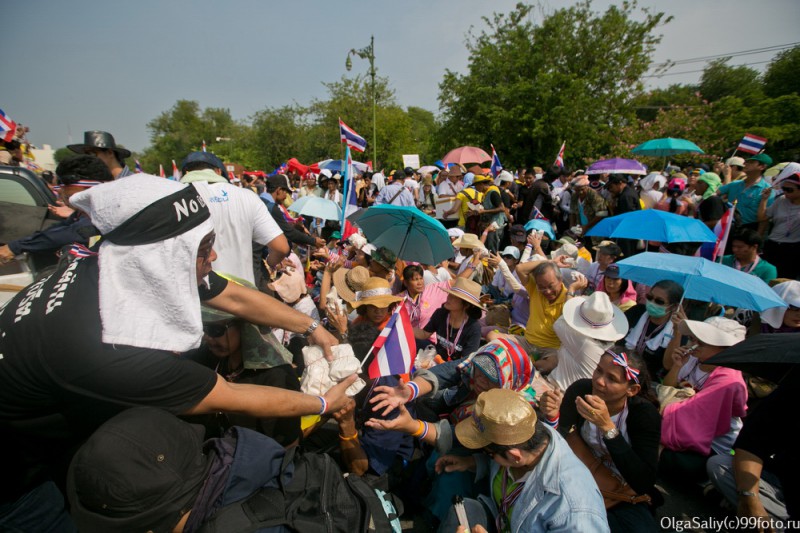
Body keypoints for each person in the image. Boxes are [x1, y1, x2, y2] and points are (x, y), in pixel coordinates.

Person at [0, 175, 354, 528]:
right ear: (161, 258)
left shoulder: (123, 264)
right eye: (203, 248)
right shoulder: (110, 346)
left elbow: (232, 295)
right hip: (20, 479)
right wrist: (323, 403)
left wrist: (314, 328)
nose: (214, 255)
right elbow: (229, 395)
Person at [437, 388, 609, 532]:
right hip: (500, 521)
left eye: (487, 452)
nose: (488, 456)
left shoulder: (574, 510)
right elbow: (497, 462)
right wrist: (473, 463)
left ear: (514, 456)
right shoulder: (527, 439)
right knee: (463, 510)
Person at [539, 349, 661, 532]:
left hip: (622, 491)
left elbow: (643, 481)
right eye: (598, 370)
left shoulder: (644, 415)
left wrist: (608, 428)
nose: (599, 380)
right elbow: (560, 434)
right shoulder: (581, 390)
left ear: (632, 390)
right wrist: (551, 416)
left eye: (611, 379)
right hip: (580, 475)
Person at [659, 317, 748, 484]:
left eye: (702, 341)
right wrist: (677, 365)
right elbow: (668, 389)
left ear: (724, 349)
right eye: (693, 339)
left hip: (715, 446)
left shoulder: (729, 380)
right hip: (684, 424)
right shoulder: (693, 359)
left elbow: (690, 415)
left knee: (671, 460)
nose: (694, 344)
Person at [179, 151, 288, 284]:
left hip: (200, 294)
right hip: (243, 295)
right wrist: (271, 262)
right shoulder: (247, 197)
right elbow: (281, 247)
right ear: (218, 171)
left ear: (185, 173)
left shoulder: (178, 199)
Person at [706, 369, 799, 523]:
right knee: (720, 465)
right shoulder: (793, 388)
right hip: (777, 482)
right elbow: (752, 445)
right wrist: (749, 497)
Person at [0, 155, 113, 266]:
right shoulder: (82, 212)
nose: (59, 191)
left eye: (63, 186)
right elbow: (58, 229)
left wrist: (14, 247)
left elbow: (73, 232)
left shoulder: (107, 210)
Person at [494, 249, 588, 372]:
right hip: (527, 342)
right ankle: (523, 362)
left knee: (549, 364)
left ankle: (521, 363)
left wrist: (572, 289)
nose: (547, 291)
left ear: (560, 281)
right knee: (492, 336)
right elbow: (520, 268)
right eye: (542, 287)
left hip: (550, 350)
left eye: (551, 286)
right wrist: (551, 262)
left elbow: (568, 318)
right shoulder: (534, 290)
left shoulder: (568, 297)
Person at [547, 291, 628, 392]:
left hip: (559, 391)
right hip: (573, 394)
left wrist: (571, 292)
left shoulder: (583, 342)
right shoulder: (609, 345)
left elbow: (559, 323)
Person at [624, 280, 684, 380]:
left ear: (674, 306)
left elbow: (668, 365)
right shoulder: (636, 312)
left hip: (650, 381)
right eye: (650, 297)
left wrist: (678, 331)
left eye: (659, 301)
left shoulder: (679, 330)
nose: (652, 303)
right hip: (621, 369)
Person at [413, 277, 483, 362]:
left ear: (466, 305)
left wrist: (443, 366)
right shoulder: (441, 313)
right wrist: (403, 327)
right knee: (412, 341)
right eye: (450, 294)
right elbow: (424, 334)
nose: (448, 298)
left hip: (455, 368)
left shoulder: (473, 328)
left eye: (454, 297)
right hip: (436, 358)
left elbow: (466, 361)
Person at [758, 168, 800, 279]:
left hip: (792, 249)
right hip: (772, 244)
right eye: (783, 188)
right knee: (765, 277)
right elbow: (762, 217)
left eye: (789, 190)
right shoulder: (781, 200)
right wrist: (764, 200)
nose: (785, 192)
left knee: (783, 279)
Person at [262, 174, 324, 249]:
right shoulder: (271, 207)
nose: (285, 197)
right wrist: (314, 241)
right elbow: (289, 233)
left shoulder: (261, 201)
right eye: (286, 192)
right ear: (279, 190)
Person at [718, 153, 775, 230]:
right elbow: (713, 195)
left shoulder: (767, 190)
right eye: (746, 162)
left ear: (762, 167)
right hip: (727, 227)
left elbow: (764, 219)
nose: (746, 164)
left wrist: (758, 237)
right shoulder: (734, 184)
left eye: (751, 162)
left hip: (747, 230)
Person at [67, 130, 133, 179]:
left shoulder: (134, 182)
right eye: (86, 155)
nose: (88, 159)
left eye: (92, 154)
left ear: (110, 153)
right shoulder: (99, 185)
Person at [606, 175, 641, 257]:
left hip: (627, 232)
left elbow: (627, 216)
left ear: (620, 183)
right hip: (627, 231)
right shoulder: (625, 193)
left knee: (626, 254)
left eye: (612, 187)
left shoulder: (626, 196)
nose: (611, 190)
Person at [569, 175, 608, 245]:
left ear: (587, 187)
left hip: (594, 231)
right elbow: (572, 212)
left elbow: (602, 214)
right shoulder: (574, 196)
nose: (580, 192)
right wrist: (572, 228)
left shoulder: (594, 196)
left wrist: (586, 227)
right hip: (580, 230)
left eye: (582, 189)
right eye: (577, 190)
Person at [473, 174, 507, 252]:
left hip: (495, 226)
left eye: (476, 186)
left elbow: (502, 208)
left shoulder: (493, 193)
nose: (475, 188)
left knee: (492, 250)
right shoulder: (485, 194)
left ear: (481, 184)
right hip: (489, 226)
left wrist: (484, 211)